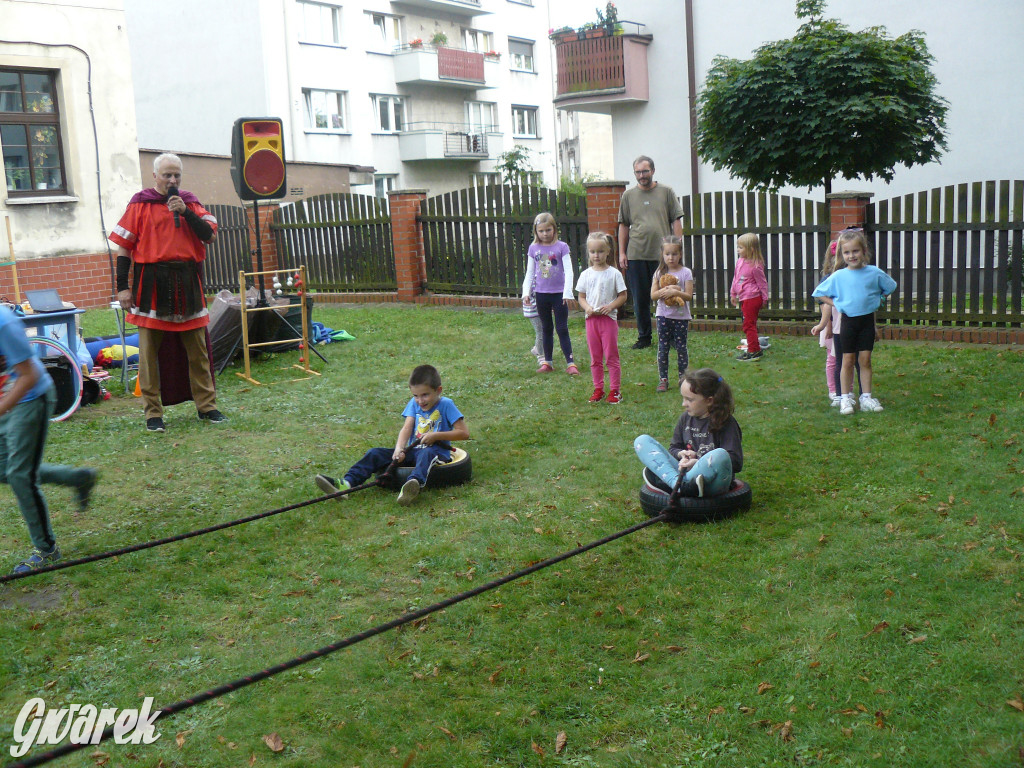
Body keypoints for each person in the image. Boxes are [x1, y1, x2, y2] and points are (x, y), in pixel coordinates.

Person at [110, 153, 225, 433]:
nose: (172, 180)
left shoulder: (190, 203)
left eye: (176, 175)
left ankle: (207, 406)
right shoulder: (140, 204)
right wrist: (123, 287)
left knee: (197, 352)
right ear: (155, 176)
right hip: (151, 283)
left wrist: (185, 212)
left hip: (187, 281)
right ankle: (153, 413)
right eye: (167, 175)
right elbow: (124, 247)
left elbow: (209, 235)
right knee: (149, 355)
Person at [1, 305, 97, 574]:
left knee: (20, 475)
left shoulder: (3, 323)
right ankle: (78, 478)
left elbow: (29, 376)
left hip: (30, 399)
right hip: (5, 402)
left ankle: (47, 550)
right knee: (6, 470)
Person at [315, 365, 469, 506]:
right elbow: (406, 428)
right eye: (416, 395)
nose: (420, 401)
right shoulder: (414, 403)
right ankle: (346, 484)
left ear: (438, 390)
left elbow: (463, 433)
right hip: (414, 451)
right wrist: (399, 449)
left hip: (436, 453)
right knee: (375, 453)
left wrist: (436, 436)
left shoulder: (446, 404)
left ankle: (412, 485)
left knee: (426, 453)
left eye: (425, 395)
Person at [812, 229, 897, 415]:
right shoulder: (839, 276)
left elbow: (890, 286)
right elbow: (819, 293)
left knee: (865, 360)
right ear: (842, 254)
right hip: (848, 323)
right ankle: (844, 398)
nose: (851, 256)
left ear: (864, 251)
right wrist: (837, 304)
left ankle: (866, 397)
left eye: (855, 251)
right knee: (847, 360)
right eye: (847, 252)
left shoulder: (874, 272)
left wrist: (879, 299)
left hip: (866, 323)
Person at [634, 368, 743, 498]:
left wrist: (698, 462)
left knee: (720, 454)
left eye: (689, 400)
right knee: (642, 441)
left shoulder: (726, 422)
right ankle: (677, 485)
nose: (683, 404)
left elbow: (735, 462)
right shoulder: (685, 418)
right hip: (685, 475)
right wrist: (681, 454)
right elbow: (674, 448)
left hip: (712, 482)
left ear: (709, 400)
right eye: (683, 398)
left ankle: (674, 485)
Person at [617, 155, 684, 350]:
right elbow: (623, 225)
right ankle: (644, 337)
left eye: (645, 171)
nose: (642, 175)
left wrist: (677, 247)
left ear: (652, 171)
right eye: (638, 172)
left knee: (667, 295)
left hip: (663, 256)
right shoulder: (628, 196)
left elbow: (676, 220)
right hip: (636, 254)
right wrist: (622, 253)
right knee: (640, 299)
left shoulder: (666, 192)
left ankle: (671, 337)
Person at [522, 212, 578, 375]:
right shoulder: (533, 248)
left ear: (554, 229)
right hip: (541, 294)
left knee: (562, 328)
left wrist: (567, 293)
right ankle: (548, 362)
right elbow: (529, 272)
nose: (545, 234)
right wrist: (526, 292)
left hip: (559, 295)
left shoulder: (562, 247)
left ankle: (570, 363)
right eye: (541, 231)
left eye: (548, 230)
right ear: (536, 231)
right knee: (546, 328)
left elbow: (569, 271)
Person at [575, 232, 628, 404]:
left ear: (608, 252)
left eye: (600, 251)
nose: (596, 255)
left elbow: (623, 295)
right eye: (592, 252)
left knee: (611, 356)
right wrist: (587, 308)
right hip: (591, 320)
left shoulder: (614, 274)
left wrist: (611, 306)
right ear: (588, 253)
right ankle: (598, 389)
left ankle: (615, 390)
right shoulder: (585, 274)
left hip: (608, 320)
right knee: (595, 357)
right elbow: (581, 297)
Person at [650, 236, 694, 392]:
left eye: (674, 254)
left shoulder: (686, 273)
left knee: (681, 348)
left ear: (680, 254)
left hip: (681, 317)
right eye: (667, 254)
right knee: (663, 347)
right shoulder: (659, 273)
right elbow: (653, 295)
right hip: (663, 316)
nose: (671, 257)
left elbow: (688, 296)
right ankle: (663, 379)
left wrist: (676, 292)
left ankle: (683, 378)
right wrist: (664, 291)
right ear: (662, 254)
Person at [729, 233, 769, 361]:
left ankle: (754, 351)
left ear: (751, 249)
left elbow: (762, 283)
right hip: (744, 298)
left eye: (741, 247)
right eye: (738, 247)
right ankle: (754, 346)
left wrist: (764, 298)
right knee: (748, 324)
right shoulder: (740, 261)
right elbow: (736, 278)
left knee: (748, 325)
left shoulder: (755, 266)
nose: (738, 250)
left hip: (752, 298)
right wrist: (733, 293)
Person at [521, 261, 544, 367]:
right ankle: (541, 355)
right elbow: (532, 296)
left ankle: (537, 348)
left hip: (540, 309)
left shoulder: (542, 278)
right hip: (533, 310)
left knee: (546, 331)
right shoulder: (533, 280)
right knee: (540, 332)